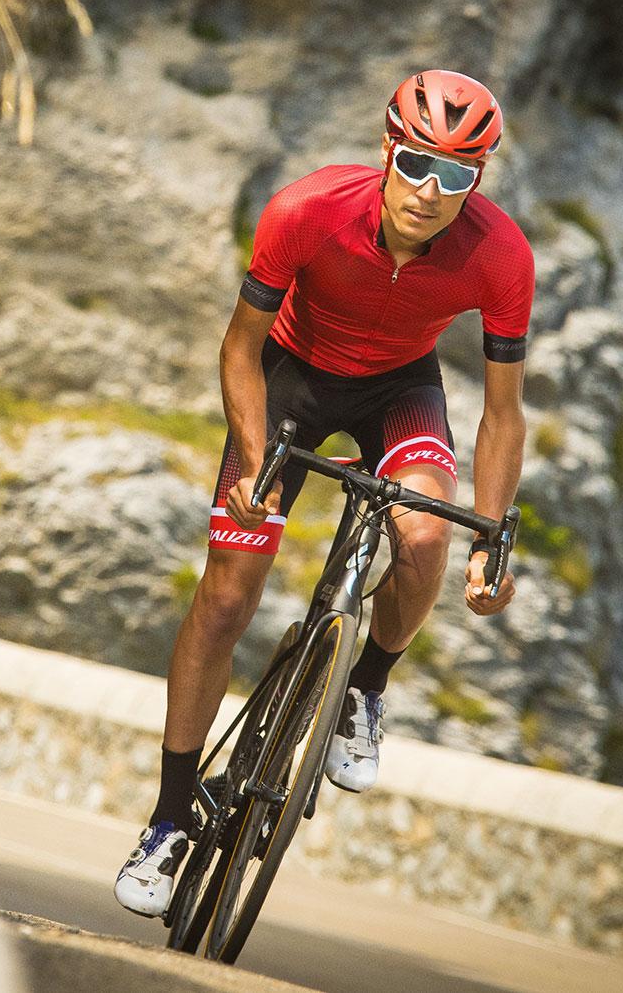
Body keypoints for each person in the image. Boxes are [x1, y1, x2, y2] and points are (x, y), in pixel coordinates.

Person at [114, 69, 535, 917]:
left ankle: (366, 688)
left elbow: (503, 413)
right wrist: (248, 454)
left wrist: (491, 537)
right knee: (227, 600)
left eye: (455, 174)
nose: (429, 189)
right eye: (417, 162)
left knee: (422, 539)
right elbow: (239, 350)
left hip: (400, 389)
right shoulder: (306, 209)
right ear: (388, 150)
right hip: (290, 383)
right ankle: (168, 819)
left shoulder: (500, 256)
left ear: (477, 181)